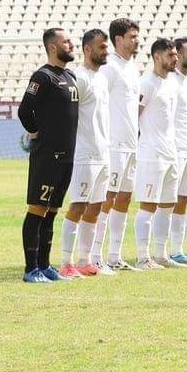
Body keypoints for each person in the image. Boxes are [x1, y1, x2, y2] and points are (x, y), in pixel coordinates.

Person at [18, 28, 80, 282]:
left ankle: (44, 265)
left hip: (67, 156)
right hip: (47, 156)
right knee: (37, 209)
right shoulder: (42, 77)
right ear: (53, 47)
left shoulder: (70, 75)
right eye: (66, 41)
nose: (71, 44)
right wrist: (36, 133)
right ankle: (30, 268)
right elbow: (24, 111)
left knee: (52, 210)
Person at [60, 28, 109, 278]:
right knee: (78, 205)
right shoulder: (78, 77)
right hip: (83, 153)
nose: (106, 50)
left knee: (96, 207)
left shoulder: (101, 78)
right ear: (87, 49)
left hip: (102, 153)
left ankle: (85, 260)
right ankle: (66, 262)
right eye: (101, 47)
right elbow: (67, 116)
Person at [96, 17, 141, 270]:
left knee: (124, 199)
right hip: (113, 145)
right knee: (107, 198)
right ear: (118, 39)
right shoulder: (110, 67)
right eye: (132, 36)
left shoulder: (133, 67)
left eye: (137, 36)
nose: (136, 40)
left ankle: (115, 256)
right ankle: (95, 256)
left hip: (131, 144)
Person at [133, 38, 181, 269]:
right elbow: (134, 117)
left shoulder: (172, 83)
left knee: (168, 204)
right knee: (148, 205)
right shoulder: (147, 84)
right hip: (152, 154)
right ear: (157, 57)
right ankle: (143, 257)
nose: (175, 59)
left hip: (171, 152)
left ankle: (161, 254)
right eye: (171, 55)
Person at [162, 38, 187, 264]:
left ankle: (177, 250)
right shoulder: (170, 82)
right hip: (173, 149)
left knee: (183, 200)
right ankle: (161, 250)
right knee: (167, 201)